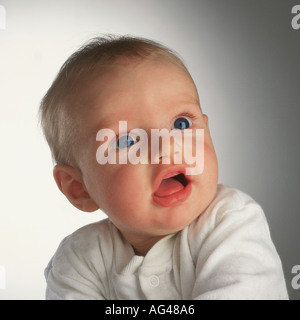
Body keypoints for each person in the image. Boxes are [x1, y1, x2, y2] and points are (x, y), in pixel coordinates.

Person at [40, 35, 288, 299]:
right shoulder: (78, 260)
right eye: (127, 140)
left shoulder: (230, 220)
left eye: (181, 124)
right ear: (79, 188)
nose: (166, 147)